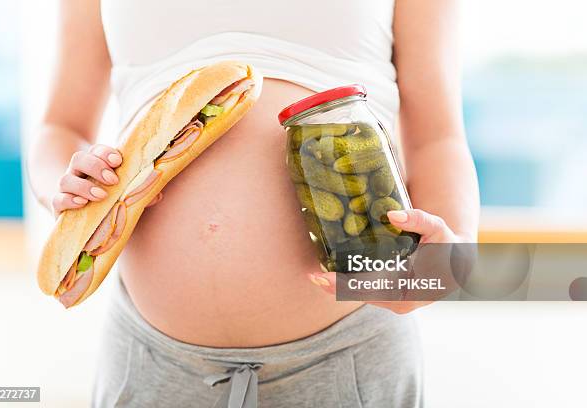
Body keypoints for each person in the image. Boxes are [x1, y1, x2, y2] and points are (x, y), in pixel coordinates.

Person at [27, 0, 479, 406]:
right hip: (152, 358)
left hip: (348, 356)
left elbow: (438, 137)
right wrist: (64, 188)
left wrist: (448, 261)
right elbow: (60, 127)